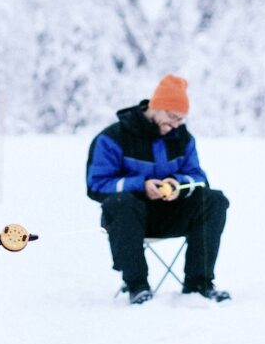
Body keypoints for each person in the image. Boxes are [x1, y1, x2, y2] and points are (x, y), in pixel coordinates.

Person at [86, 74, 230, 305]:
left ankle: (199, 283)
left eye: (181, 120)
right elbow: (96, 185)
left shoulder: (183, 138)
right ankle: (137, 286)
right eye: (172, 117)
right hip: (129, 219)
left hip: (171, 213)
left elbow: (199, 178)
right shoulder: (112, 137)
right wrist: (141, 186)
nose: (175, 125)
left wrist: (177, 184)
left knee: (214, 199)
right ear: (156, 107)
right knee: (121, 203)